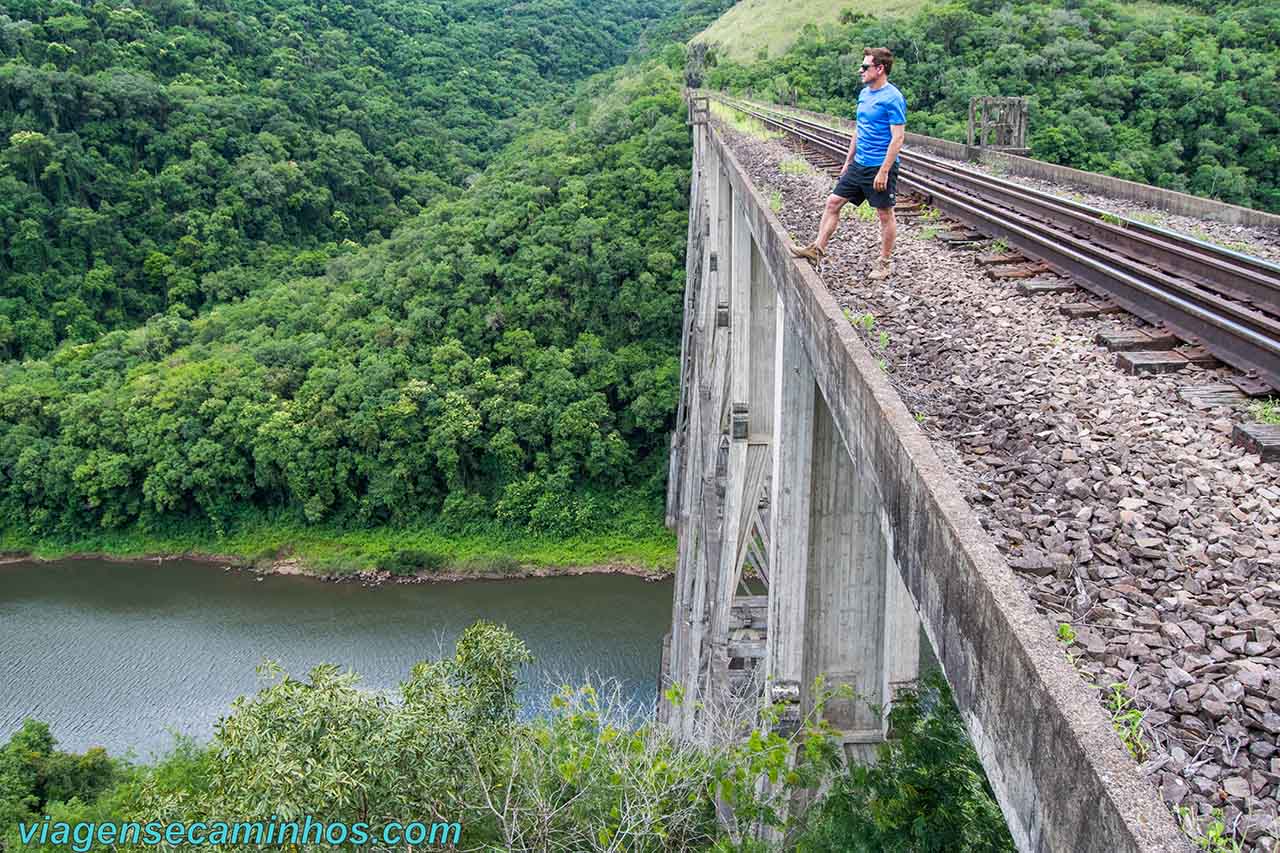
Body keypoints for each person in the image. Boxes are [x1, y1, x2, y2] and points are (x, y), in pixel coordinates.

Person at [790, 47, 906, 281]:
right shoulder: (864, 94)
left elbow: (898, 138)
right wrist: (848, 160)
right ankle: (817, 250)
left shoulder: (893, 98)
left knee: (884, 214)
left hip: (878, 166)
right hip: (859, 164)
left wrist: (884, 171)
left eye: (865, 67)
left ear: (880, 68)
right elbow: (858, 129)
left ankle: (884, 263)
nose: (860, 71)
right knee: (833, 203)